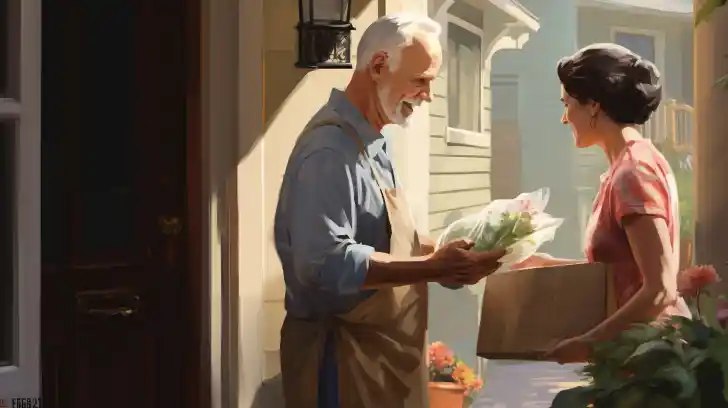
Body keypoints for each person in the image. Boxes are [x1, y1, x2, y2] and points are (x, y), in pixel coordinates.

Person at [273, 13, 505, 408]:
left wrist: (455, 253)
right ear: (379, 66)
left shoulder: (376, 142)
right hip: (341, 363)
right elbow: (323, 265)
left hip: (380, 358)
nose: (428, 95)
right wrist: (436, 267)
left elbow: (389, 238)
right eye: (421, 81)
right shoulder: (330, 151)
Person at [515, 43, 691, 364]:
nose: (564, 119)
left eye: (567, 104)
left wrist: (587, 343)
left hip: (650, 358)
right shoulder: (626, 165)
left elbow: (660, 288)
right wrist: (547, 265)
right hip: (631, 351)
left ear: (593, 106)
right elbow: (622, 271)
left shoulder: (634, 171)